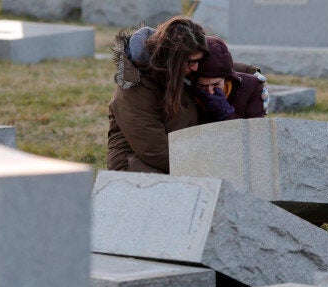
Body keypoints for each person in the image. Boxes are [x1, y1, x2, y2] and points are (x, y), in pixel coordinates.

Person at [107, 17, 266, 174]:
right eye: (191, 62)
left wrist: (250, 73)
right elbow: (155, 151)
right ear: (172, 59)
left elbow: (215, 62)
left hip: (180, 152)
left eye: (199, 61)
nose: (196, 68)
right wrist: (210, 170)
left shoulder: (171, 64)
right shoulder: (135, 88)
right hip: (137, 165)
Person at [184, 36, 266, 125]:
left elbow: (256, 133)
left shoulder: (251, 87)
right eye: (202, 86)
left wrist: (226, 113)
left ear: (226, 78)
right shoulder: (186, 89)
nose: (210, 92)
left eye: (216, 84)